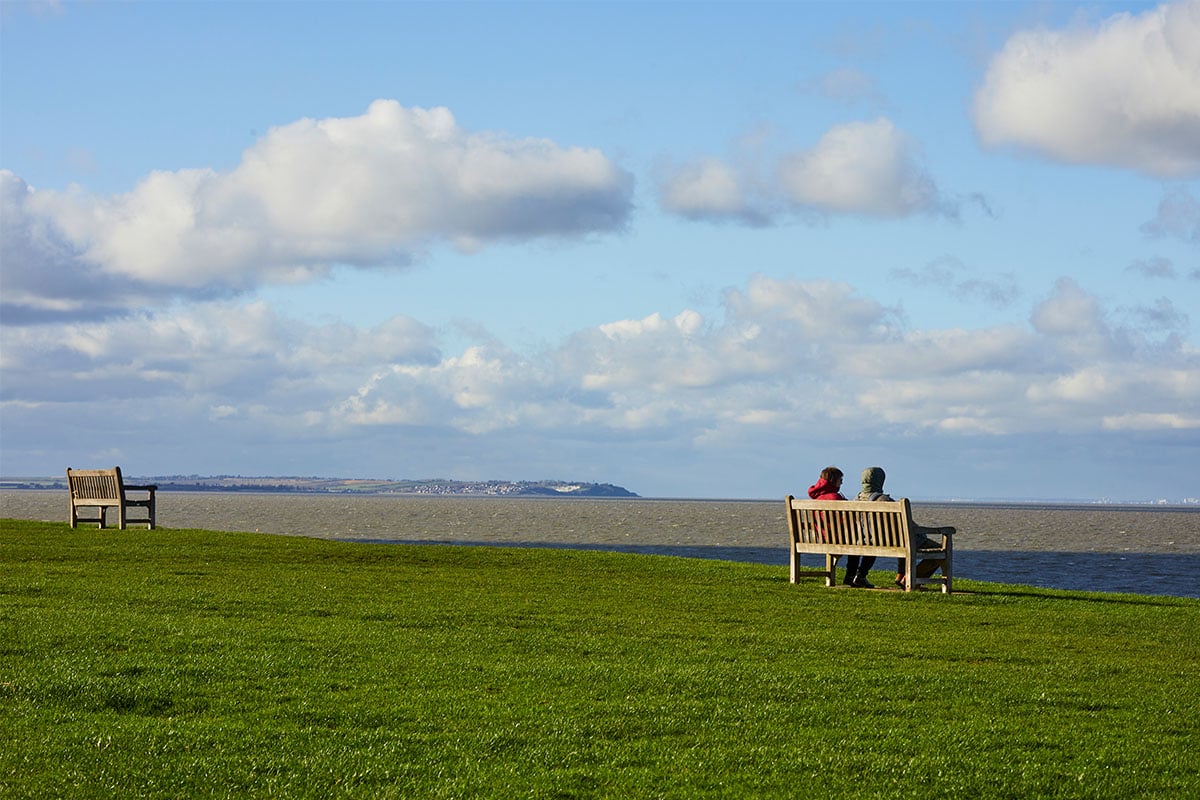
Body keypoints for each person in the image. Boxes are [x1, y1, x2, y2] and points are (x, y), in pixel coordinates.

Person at [856, 466, 950, 589]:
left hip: (869, 541)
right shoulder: (885, 501)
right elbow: (906, 524)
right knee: (938, 550)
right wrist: (921, 533)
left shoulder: (856, 500)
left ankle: (901, 576)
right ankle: (911, 579)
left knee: (901, 541)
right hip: (892, 541)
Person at [807, 466, 876, 588]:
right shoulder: (835, 498)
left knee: (856, 541)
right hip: (836, 539)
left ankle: (850, 577)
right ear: (834, 480)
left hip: (822, 538)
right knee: (867, 542)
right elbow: (846, 521)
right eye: (840, 479)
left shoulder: (817, 498)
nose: (842, 482)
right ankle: (856, 576)